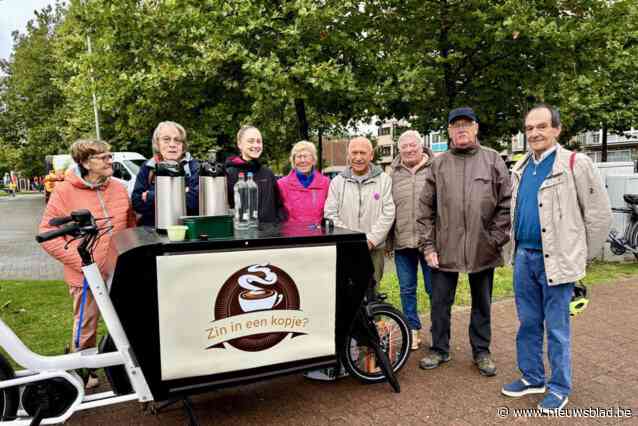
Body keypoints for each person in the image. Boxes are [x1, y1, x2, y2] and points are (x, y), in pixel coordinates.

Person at [501, 104, 611, 412]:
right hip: (524, 257)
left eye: (541, 126)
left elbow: (599, 217)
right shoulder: (521, 167)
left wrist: (579, 258)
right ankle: (533, 377)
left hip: (557, 261)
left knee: (558, 328)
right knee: (528, 323)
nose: (534, 133)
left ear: (556, 129)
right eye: (529, 128)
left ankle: (559, 386)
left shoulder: (576, 163)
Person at [417, 107, 511, 377]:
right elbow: (425, 208)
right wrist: (429, 246)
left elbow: (506, 205)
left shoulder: (493, 160)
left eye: (466, 124)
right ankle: (439, 349)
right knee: (439, 302)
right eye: (456, 125)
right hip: (444, 247)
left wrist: (494, 240)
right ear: (449, 131)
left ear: (476, 128)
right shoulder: (439, 163)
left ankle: (481, 351)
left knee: (482, 302)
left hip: (484, 247)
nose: (461, 129)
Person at [39, 139, 136, 389]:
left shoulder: (119, 187)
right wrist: (85, 263)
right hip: (85, 275)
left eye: (110, 155)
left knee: (127, 321)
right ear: (84, 162)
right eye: (102, 157)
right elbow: (48, 238)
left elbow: (130, 226)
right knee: (86, 328)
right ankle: (83, 374)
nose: (109, 161)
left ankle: (128, 369)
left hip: (120, 271)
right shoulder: (64, 191)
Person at [307, 136, 394, 381]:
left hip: (372, 250)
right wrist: (354, 239)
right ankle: (346, 354)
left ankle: (370, 355)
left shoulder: (383, 180)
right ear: (348, 155)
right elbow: (330, 213)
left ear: (371, 156)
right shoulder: (338, 182)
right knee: (344, 300)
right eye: (353, 152)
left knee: (371, 300)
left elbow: (388, 213)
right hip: (346, 249)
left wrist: (370, 240)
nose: (357, 157)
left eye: (362, 153)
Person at [388, 130, 434, 351]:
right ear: (399, 150)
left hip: (430, 243)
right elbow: (387, 208)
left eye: (412, 145)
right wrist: (388, 241)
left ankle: (439, 331)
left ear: (421, 146)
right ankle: (412, 330)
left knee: (434, 289)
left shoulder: (436, 168)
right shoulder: (392, 173)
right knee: (407, 289)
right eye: (404, 146)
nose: (408, 150)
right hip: (402, 240)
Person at [132, 121, 199, 227]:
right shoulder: (148, 166)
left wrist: (151, 196)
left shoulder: (194, 167)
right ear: (157, 143)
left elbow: (193, 203)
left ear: (183, 145)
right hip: (153, 233)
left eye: (177, 140)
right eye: (166, 139)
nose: (172, 145)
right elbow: (137, 203)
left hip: (186, 232)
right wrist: (182, 192)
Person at [225, 125, 283, 223]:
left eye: (259, 141)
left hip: (269, 235)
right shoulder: (229, 174)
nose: (256, 145)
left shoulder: (268, 174)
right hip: (242, 235)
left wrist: (277, 225)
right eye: (251, 141)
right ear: (239, 144)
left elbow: (279, 206)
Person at [277, 141, 330, 225]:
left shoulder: (325, 183)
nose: (302, 160)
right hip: (291, 236)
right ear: (293, 161)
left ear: (313, 160)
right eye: (299, 156)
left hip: (317, 235)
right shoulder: (282, 184)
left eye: (306, 156)